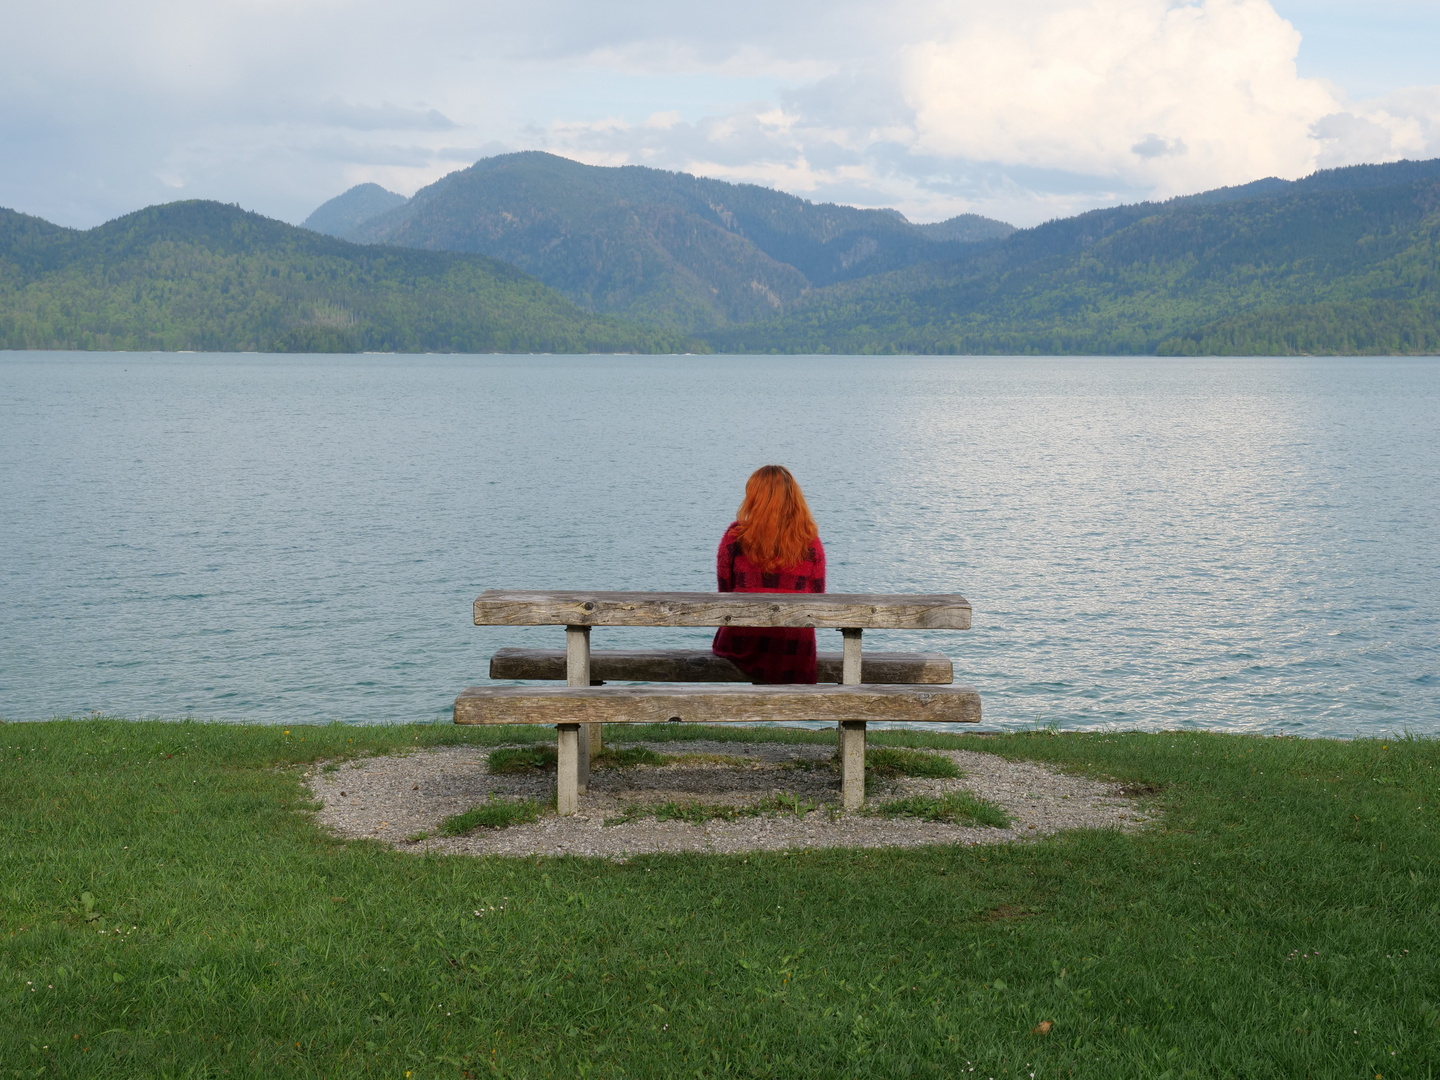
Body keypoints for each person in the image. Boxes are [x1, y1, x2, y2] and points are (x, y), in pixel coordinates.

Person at [712, 465, 826, 683]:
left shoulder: (735, 537)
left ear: (754, 498)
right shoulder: (810, 542)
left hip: (743, 642)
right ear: (794, 499)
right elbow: (817, 598)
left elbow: (725, 591)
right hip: (793, 649)